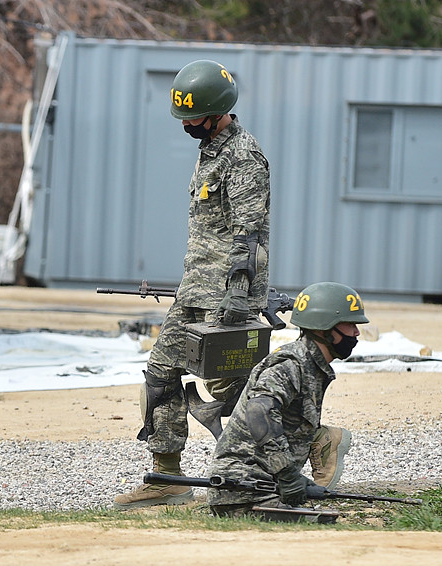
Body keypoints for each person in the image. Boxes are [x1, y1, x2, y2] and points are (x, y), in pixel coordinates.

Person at [115, 60, 349, 509]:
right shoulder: (211, 152)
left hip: (227, 300)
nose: (185, 124)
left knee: (242, 396)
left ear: (217, 111)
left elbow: (250, 231)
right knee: (160, 376)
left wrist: (238, 294)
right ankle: (168, 477)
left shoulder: (243, 156)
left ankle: (320, 441)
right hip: (195, 295)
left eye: (192, 117)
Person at [205, 282, 368, 517]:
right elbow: (259, 412)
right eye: (350, 324)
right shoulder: (290, 365)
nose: (356, 332)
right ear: (324, 328)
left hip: (267, 488)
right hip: (243, 493)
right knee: (320, 531)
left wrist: (296, 478)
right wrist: (287, 475)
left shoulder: (311, 366)